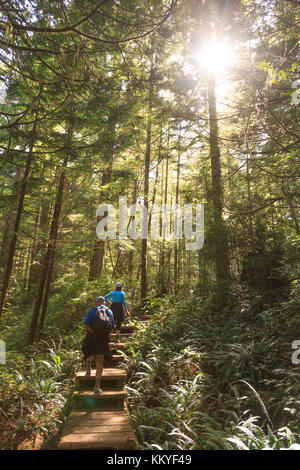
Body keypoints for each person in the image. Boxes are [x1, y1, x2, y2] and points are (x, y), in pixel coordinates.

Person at [82, 296, 114, 395]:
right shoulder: (109, 311)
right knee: (100, 361)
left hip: (93, 336)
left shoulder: (93, 310)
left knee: (89, 352)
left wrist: (89, 332)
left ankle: (88, 369)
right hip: (103, 339)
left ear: (96, 303)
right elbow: (112, 327)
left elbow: (85, 324)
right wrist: (107, 335)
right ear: (104, 303)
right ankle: (96, 387)